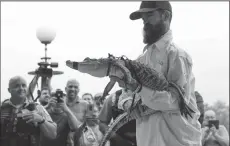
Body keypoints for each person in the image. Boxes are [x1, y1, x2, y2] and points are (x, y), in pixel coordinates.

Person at [113, 1, 202, 146]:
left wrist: (140, 90)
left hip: (177, 141)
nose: (145, 23)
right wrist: (128, 104)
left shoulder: (177, 55)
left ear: (165, 16)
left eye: (149, 15)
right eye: (143, 19)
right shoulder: (141, 60)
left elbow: (175, 101)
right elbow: (125, 93)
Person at [0, 76, 57, 146]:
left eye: (24, 85)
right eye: (16, 86)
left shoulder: (37, 108)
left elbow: (53, 134)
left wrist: (41, 120)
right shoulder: (2, 108)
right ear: (9, 90)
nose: (21, 88)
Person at [64, 79, 89, 146]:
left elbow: (90, 126)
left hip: (78, 142)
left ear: (79, 90)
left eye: (75, 87)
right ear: (65, 89)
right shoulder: (60, 103)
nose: (72, 89)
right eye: (70, 86)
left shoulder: (85, 105)